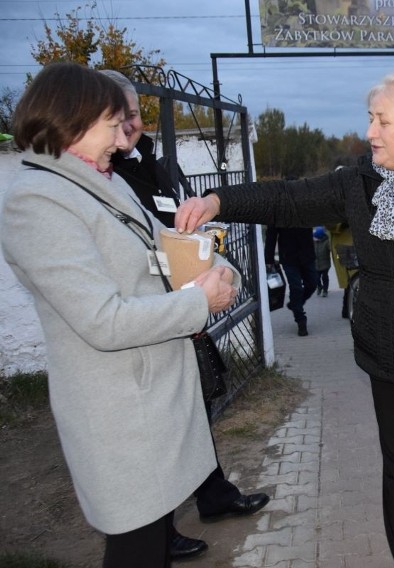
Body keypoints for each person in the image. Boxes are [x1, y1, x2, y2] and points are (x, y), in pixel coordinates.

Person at [174, 68, 394, 567]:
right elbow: (289, 198)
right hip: (391, 358)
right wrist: (219, 200)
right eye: (370, 119)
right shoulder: (359, 183)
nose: (370, 133)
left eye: (382, 121)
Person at [0, 62, 239, 568]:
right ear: (75, 119)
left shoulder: (97, 180)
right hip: (119, 414)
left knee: (150, 542)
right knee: (136, 549)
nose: (122, 136)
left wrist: (219, 268)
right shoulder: (36, 201)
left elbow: (165, 240)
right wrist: (200, 302)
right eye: (113, 123)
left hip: (151, 401)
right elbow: (103, 320)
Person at [103, 69, 270, 559]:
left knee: (193, 403)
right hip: (151, 310)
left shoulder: (154, 158)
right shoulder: (103, 176)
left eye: (134, 113)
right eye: (120, 116)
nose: (130, 125)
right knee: (160, 425)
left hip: (182, 296)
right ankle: (160, 526)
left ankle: (211, 495)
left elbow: (173, 214)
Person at [264, 225, 318, 336]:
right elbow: (271, 234)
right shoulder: (278, 212)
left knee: (313, 283)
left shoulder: (305, 208)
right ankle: (301, 320)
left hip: (307, 254)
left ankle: (295, 304)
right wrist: (268, 259)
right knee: (296, 287)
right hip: (289, 257)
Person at [313, 226, 332, 297]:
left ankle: (325, 290)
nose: (314, 238)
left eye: (315, 237)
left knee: (324, 277)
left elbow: (331, 249)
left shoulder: (327, 242)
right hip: (316, 264)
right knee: (316, 278)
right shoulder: (313, 242)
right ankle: (319, 286)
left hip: (325, 264)